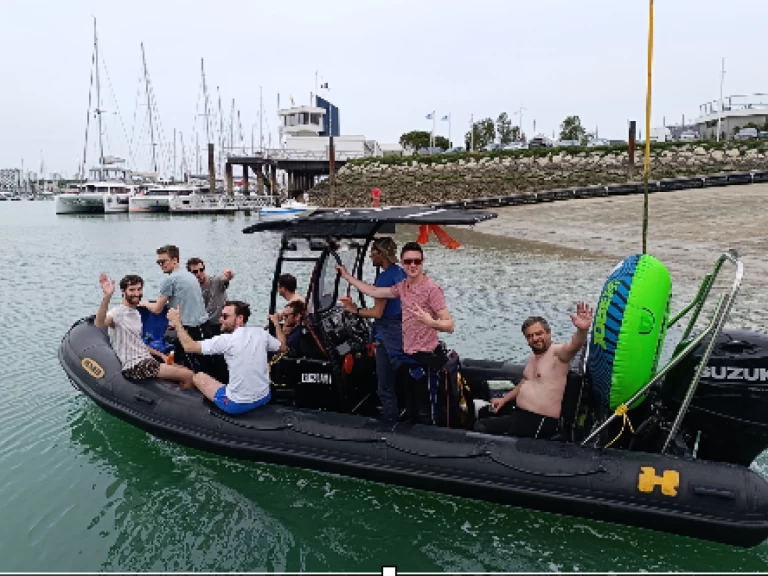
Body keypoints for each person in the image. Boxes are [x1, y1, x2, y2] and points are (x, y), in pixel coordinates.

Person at [336, 241, 454, 421]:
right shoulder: (402, 286)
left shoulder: (432, 289)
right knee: (411, 403)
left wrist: (431, 322)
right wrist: (346, 276)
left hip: (425, 357)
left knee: (426, 409)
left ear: (423, 262)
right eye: (408, 262)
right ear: (402, 262)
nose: (412, 265)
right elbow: (374, 291)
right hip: (409, 352)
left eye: (416, 261)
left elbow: (450, 325)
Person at [473, 303, 594, 439]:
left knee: (481, 427)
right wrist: (504, 399)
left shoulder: (557, 354)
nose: (535, 338)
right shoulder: (534, 357)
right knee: (483, 412)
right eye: (530, 336)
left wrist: (582, 331)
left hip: (540, 421)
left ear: (548, 333)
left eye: (539, 334)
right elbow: (526, 381)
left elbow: (573, 346)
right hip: (521, 414)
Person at [167, 301, 288, 415]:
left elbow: (189, 347)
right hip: (265, 397)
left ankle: (185, 406)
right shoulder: (261, 333)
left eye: (225, 316)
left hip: (237, 404)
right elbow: (283, 347)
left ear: (240, 319)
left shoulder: (226, 340)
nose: (220, 320)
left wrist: (177, 322)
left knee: (199, 377)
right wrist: (276, 323)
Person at [340, 237, 407, 424]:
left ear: (381, 254)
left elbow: (377, 313)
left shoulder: (385, 277)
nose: (370, 257)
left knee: (384, 388)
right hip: (400, 333)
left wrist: (355, 310)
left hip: (386, 338)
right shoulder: (399, 273)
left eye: (373, 252)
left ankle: (389, 427)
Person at [95, 273, 194, 388]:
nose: (136, 293)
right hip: (135, 366)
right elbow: (99, 323)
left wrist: (161, 355)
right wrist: (107, 296)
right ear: (123, 291)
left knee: (184, 369)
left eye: (139, 289)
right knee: (188, 375)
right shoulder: (117, 313)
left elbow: (138, 342)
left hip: (147, 360)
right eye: (132, 290)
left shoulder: (136, 312)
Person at [140, 245, 209, 370]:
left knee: (192, 367)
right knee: (202, 363)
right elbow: (184, 300)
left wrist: (144, 303)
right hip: (204, 326)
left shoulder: (170, 280)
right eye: (158, 262)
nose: (161, 264)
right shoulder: (189, 276)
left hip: (189, 330)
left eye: (163, 261)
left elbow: (157, 309)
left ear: (175, 260)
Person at [187, 257, 235, 336]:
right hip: (205, 325)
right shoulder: (192, 289)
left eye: (201, 270)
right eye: (195, 272)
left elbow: (224, 279)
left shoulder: (216, 281)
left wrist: (228, 276)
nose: (199, 273)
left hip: (221, 323)